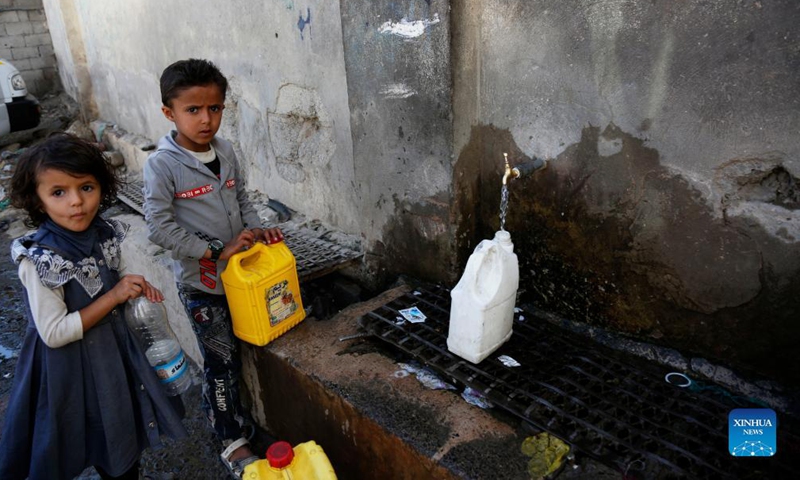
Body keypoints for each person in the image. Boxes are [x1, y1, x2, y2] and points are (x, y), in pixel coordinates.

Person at [0, 133, 187, 480]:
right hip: (69, 371)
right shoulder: (40, 259)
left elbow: (101, 280)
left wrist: (127, 288)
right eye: (59, 192)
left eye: (86, 187)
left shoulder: (99, 232)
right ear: (38, 201)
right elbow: (54, 333)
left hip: (112, 357)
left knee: (121, 435)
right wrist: (113, 297)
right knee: (89, 434)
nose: (77, 202)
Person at [143, 58, 283, 478]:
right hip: (204, 286)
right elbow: (157, 226)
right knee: (221, 362)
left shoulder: (224, 151)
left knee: (248, 346)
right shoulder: (162, 165)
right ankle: (230, 439)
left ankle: (237, 417)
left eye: (215, 108)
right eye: (193, 110)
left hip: (244, 278)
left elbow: (242, 203)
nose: (206, 120)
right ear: (170, 113)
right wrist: (214, 251)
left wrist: (258, 231)